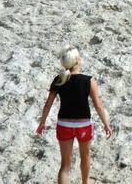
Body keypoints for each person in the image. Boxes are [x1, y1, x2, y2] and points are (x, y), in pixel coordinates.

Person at [36, 46, 113, 184]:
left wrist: (42, 123)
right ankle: (85, 182)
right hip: (83, 125)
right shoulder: (89, 80)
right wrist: (106, 124)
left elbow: (47, 105)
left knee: (65, 166)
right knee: (85, 157)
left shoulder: (58, 79)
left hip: (64, 125)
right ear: (77, 60)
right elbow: (98, 105)